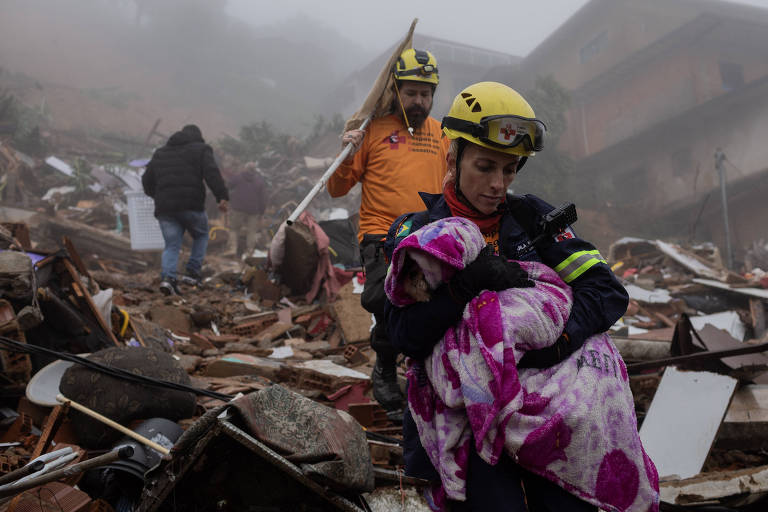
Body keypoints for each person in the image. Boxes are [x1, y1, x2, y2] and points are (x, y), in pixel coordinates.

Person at [383, 82, 652, 511]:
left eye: (509, 170)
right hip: (469, 422)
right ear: (453, 157)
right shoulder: (419, 236)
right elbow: (402, 335)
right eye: (485, 167)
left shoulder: (532, 219)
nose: (498, 184)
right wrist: (464, 287)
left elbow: (605, 291)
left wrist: (555, 343)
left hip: (551, 415)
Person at [327, 48, 449, 414]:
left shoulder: (442, 134)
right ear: (395, 91)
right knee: (384, 299)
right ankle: (384, 362)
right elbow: (336, 188)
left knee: (431, 306)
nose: (419, 101)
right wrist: (347, 152)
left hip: (427, 235)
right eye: (411, 92)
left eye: (426, 94)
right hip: (381, 233)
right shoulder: (373, 130)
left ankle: (419, 376)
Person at [142, 124, 229, 295]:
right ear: (198, 137)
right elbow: (212, 173)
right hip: (191, 205)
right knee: (201, 235)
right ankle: (192, 272)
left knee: (172, 245)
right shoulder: (201, 149)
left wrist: (159, 197)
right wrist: (222, 196)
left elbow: (146, 181)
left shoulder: (160, 153)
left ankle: (168, 279)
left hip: (165, 208)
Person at [228, 162, 267, 257]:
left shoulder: (238, 177)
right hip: (253, 210)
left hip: (238, 207)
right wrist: (261, 212)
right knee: (252, 231)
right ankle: (250, 251)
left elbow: (228, 185)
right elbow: (263, 199)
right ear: (255, 171)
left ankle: (233, 249)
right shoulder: (259, 181)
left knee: (234, 229)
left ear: (245, 168)